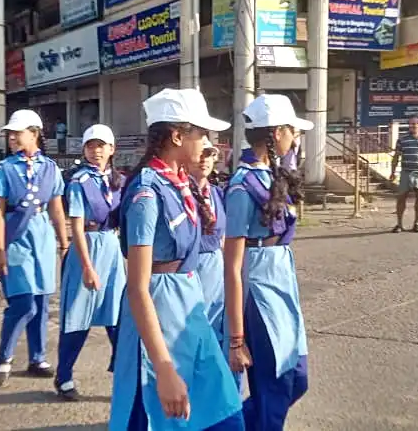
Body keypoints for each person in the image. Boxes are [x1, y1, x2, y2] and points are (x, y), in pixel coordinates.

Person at [112, 88, 243, 430]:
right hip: (160, 314)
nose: (206, 142)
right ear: (176, 136)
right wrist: (164, 367)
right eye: (201, 133)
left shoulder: (181, 183)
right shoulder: (147, 192)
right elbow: (138, 287)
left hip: (190, 310)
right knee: (159, 416)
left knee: (225, 415)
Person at [224, 94, 311, 430]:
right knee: (274, 383)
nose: (295, 138)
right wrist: (236, 337)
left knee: (296, 378)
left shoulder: (271, 174)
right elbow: (232, 264)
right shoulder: (242, 185)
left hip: (280, 275)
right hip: (259, 284)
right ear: (276, 133)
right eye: (292, 131)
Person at [0, 109, 68, 387]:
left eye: (17, 133)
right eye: (10, 134)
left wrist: (63, 243)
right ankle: (5, 356)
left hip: (42, 234)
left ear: (34, 134)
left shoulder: (50, 168)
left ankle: (37, 357)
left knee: (42, 300)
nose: (11, 138)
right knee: (23, 303)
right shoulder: (5, 169)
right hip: (16, 236)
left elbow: (56, 208)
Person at [55, 124, 127, 401]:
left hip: (111, 247)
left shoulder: (118, 180)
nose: (96, 151)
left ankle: (123, 372)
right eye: (91, 146)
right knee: (78, 316)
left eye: (101, 146)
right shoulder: (79, 182)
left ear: (112, 149)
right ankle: (64, 376)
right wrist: (86, 266)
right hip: (87, 245)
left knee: (117, 315)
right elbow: (76, 226)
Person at [194, 137, 226, 346]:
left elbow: (224, 232)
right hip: (191, 264)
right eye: (200, 154)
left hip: (215, 263)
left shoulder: (217, 193)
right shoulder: (181, 192)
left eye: (209, 155)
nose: (204, 160)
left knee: (216, 321)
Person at [389, 115, 418, 233]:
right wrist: (392, 172)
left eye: (414, 124)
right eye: (410, 124)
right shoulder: (402, 139)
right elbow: (396, 156)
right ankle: (399, 224)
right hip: (406, 172)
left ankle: (417, 223)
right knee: (401, 197)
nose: (412, 126)